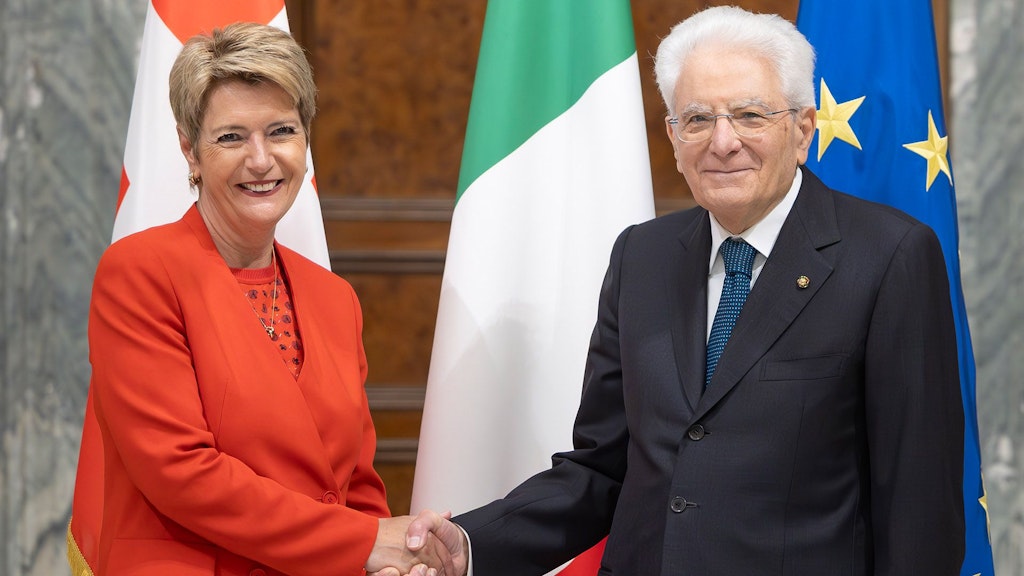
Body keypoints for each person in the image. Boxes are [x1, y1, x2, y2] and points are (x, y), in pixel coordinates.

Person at [405, 5, 966, 575]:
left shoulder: (889, 256)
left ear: (802, 130)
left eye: (750, 115)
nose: (722, 142)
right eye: (697, 119)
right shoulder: (641, 257)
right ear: (673, 138)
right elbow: (603, 469)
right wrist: (470, 543)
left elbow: (918, 506)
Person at [76, 22, 453, 576]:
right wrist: (364, 543)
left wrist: (393, 563)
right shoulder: (139, 273)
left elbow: (357, 483)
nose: (261, 160)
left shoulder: (334, 298)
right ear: (190, 150)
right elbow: (181, 472)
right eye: (231, 137)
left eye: (281, 130)